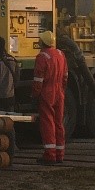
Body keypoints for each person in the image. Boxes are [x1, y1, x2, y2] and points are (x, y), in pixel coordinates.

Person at [32, 30, 68, 164]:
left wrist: (35, 95)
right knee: (59, 122)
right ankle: (60, 154)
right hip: (59, 91)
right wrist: (61, 91)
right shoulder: (60, 54)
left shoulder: (42, 57)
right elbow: (65, 77)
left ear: (43, 42)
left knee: (48, 123)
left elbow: (38, 80)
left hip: (47, 92)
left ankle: (50, 155)